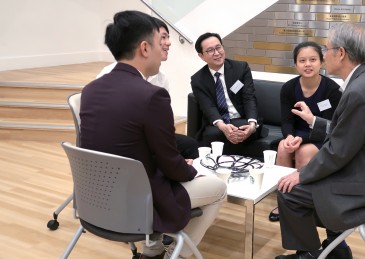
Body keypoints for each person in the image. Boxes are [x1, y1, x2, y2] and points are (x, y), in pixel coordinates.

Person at [79, 11, 226, 259]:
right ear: (145, 48)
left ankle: (154, 250)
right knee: (218, 188)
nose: (164, 50)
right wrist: (191, 170)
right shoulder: (151, 95)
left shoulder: (90, 90)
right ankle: (177, 255)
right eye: (161, 43)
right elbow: (170, 162)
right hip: (139, 199)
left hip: (97, 198)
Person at [275, 22, 365, 259]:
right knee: (305, 184)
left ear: (340, 53)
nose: (323, 55)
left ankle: (310, 254)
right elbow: (347, 133)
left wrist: (301, 174)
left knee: (289, 191)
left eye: (325, 49)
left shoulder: (357, 91)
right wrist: (315, 121)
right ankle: (337, 246)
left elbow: (337, 152)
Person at [96, 17, 199, 160]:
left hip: (149, 136)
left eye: (168, 37)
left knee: (189, 144)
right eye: (162, 38)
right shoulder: (107, 76)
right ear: (145, 45)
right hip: (126, 141)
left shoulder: (162, 79)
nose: (168, 43)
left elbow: (162, 122)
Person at [268, 42, 342, 223]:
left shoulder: (332, 90)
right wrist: (290, 137)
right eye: (302, 60)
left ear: (321, 62)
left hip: (323, 135)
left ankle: (302, 202)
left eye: (312, 60)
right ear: (295, 65)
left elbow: (331, 126)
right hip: (297, 134)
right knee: (283, 147)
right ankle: (284, 200)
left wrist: (300, 139)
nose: (307, 64)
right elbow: (286, 120)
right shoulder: (288, 88)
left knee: (303, 151)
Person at [190, 32, 262, 155]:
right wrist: (223, 126)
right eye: (210, 50)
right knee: (214, 134)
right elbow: (208, 107)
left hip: (242, 119)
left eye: (218, 47)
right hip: (218, 122)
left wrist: (252, 125)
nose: (217, 53)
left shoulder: (241, 68)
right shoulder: (198, 80)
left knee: (241, 130)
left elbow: (249, 98)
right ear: (201, 56)